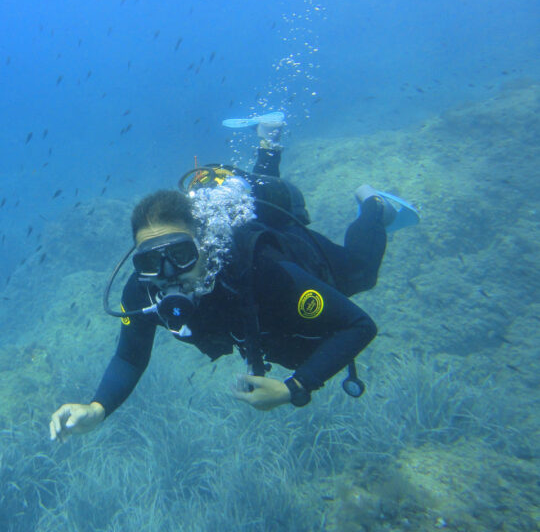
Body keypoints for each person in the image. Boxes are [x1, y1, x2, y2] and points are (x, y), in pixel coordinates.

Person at [49, 113, 420, 442]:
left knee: (361, 274)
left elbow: (359, 325)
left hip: (293, 250)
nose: (167, 273)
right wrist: (97, 408)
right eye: (150, 261)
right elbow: (129, 358)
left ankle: (374, 206)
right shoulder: (142, 290)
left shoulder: (261, 270)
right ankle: (268, 141)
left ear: (204, 244)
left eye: (181, 255)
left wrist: (294, 387)